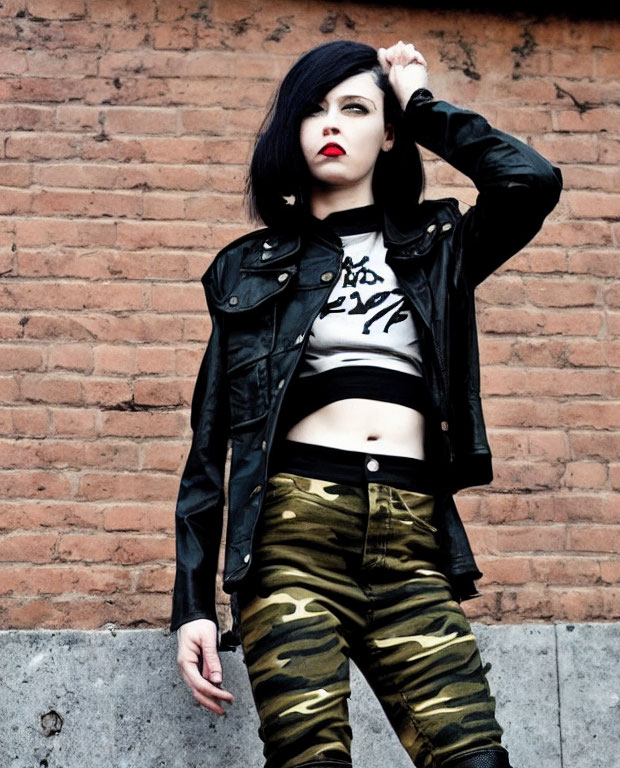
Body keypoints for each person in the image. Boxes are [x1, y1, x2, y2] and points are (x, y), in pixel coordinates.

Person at [171, 39, 562, 768]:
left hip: (411, 548)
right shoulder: (246, 269)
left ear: (388, 136)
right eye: (314, 109)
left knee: (477, 758)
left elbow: (529, 182)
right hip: (292, 548)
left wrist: (419, 103)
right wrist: (192, 603)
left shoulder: (441, 244)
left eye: (355, 109)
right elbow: (210, 442)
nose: (332, 123)